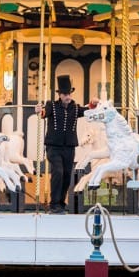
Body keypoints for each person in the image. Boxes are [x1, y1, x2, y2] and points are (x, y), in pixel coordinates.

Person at [37, 74, 82, 214]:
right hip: (53, 147)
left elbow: (88, 111)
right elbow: (44, 113)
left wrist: (95, 104)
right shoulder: (52, 106)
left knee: (67, 174)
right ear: (60, 95)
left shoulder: (75, 108)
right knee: (58, 171)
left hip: (69, 147)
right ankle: (54, 204)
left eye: (68, 94)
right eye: (64, 94)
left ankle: (61, 204)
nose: (67, 97)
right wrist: (40, 111)